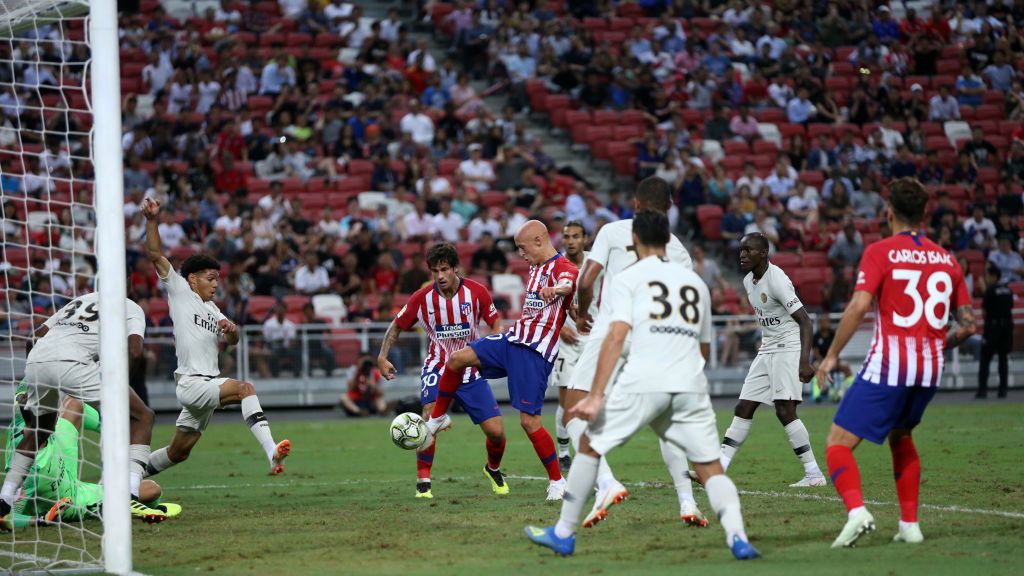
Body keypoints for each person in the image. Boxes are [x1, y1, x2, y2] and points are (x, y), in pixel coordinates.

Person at [523, 210, 760, 561]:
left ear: (634, 241)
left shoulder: (628, 279)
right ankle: (738, 538)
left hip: (646, 380)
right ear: (668, 241)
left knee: (588, 445)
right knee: (709, 465)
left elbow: (616, 337)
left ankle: (563, 534)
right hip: (690, 384)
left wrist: (597, 394)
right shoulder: (695, 285)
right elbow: (705, 346)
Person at [816, 177, 975, 548]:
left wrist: (831, 356)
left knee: (837, 442)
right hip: (930, 369)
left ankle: (857, 513)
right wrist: (936, 346)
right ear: (924, 214)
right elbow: (968, 325)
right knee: (901, 434)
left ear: (889, 213)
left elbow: (858, 306)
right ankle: (909, 525)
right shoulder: (947, 259)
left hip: (891, 365)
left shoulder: (881, 251)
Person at [568, 176, 706, 528]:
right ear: (670, 208)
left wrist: (583, 313)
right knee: (668, 425)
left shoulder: (613, 231)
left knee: (574, 411)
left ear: (636, 203)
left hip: (612, 331)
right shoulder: (678, 251)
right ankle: (687, 502)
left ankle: (607, 483)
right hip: (653, 340)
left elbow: (586, 281)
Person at [423, 220, 578, 501]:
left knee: (529, 422)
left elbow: (568, 284)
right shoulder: (534, 268)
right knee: (457, 359)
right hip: (513, 339)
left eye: (522, 248)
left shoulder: (562, 268)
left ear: (540, 241)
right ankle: (437, 418)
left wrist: (556, 291)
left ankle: (557, 481)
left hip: (534, 352)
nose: (520, 254)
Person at [140, 197, 292, 479]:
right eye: (210, 278)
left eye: (217, 279)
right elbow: (154, 254)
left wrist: (232, 331)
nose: (215, 283)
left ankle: (128, 478)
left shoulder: (213, 309)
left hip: (206, 384)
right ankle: (271, 450)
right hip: (193, 382)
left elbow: (233, 341)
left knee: (178, 452)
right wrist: (151, 220)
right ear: (192, 279)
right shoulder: (180, 291)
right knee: (246, 389)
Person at [0, 291, 164, 524]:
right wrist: (117, 390)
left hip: (37, 361)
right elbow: (135, 352)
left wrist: (32, 377)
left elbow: (33, 338)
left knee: (39, 432)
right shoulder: (131, 307)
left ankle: (5, 496)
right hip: (73, 362)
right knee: (142, 416)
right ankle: (130, 495)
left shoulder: (81, 301)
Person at [376, 243, 506, 499]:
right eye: (435, 271)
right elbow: (397, 325)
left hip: (470, 369)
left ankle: (493, 468)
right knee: (428, 415)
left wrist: (492, 351)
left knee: (496, 433)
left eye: (445, 269)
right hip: (437, 366)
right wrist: (382, 356)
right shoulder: (422, 298)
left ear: (455, 268)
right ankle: (423, 481)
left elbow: (496, 325)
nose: (440, 276)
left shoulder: (477, 292)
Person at [718, 233, 826, 487]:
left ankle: (814, 474)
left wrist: (804, 360)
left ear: (763, 253)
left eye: (748, 250)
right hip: (767, 349)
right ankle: (717, 470)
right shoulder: (748, 281)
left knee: (785, 410)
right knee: (744, 407)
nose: (742, 254)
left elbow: (805, 320)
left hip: (788, 347)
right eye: (741, 250)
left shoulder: (776, 279)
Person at [3, 388, 180, 530]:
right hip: (67, 496)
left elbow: (33, 365)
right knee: (152, 490)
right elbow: (5, 517)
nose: (57, 412)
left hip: (57, 448)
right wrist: (41, 520)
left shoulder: (28, 410)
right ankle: (134, 504)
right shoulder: (25, 470)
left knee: (74, 405)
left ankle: (113, 428)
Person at [549, 221, 590, 474]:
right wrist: (560, 325)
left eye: (576, 236)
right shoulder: (555, 267)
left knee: (588, 399)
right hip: (565, 340)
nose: (571, 240)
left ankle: (585, 448)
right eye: (567, 236)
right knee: (566, 400)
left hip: (592, 338)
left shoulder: (596, 264)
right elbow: (544, 301)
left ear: (585, 239)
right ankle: (564, 452)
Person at [978, 265, 1013, 399]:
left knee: (985, 359)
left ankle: (982, 390)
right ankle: (1002, 390)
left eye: (987, 276)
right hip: (1007, 328)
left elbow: (984, 311)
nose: (986, 278)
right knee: (1003, 360)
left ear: (993, 276)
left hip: (993, 328)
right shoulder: (1008, 290)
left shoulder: (990, 290)